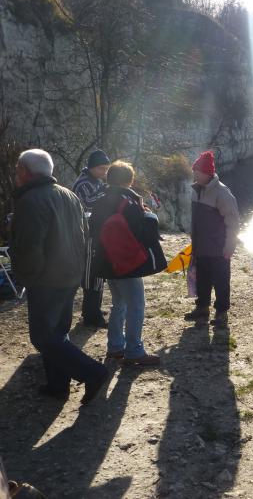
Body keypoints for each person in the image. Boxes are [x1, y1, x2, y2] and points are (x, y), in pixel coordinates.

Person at [10, 149, 108, 404]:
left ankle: (93, 372)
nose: (16, 174)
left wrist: (27, 277)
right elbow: (83, 234)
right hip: (70, 274)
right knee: (58, 333)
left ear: (25, 171)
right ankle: (58, 385)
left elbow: (29, 247)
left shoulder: (30, 200)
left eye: (18, 169)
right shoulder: (68, 194)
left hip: (46, 279)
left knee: (42, 337)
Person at [90, 161, 166, 365]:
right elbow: (141, 233)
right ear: (129, 180)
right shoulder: (129, 202)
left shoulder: (100, 200)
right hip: (126, 262)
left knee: (119, 304)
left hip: (107, 261)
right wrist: (149, 216)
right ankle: (134, 350)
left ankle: (115, 347)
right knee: (136, 306)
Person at [184, 151, 241, 328]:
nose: (195, 175)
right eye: (194, 172)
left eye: (198, 172)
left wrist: (229, 246)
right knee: (202, 279)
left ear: (208, 173)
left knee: (221, 281)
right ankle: (202, 307)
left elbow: (233, 222)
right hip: (201, 246)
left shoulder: (222, 193)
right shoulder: (196, 190)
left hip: (218, 247)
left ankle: (222, 312)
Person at [72, 149, 111, 328]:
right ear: (92, 167)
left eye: (106, 169)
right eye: (102, 168)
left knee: (98, 273)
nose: (104, 172)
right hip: (87, 233)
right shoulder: (83, 183)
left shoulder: (95, 181)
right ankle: (91, 315)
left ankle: (94, 309)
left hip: (96, 232)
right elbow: (88, 204)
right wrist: (107, 191)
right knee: (91, 273)